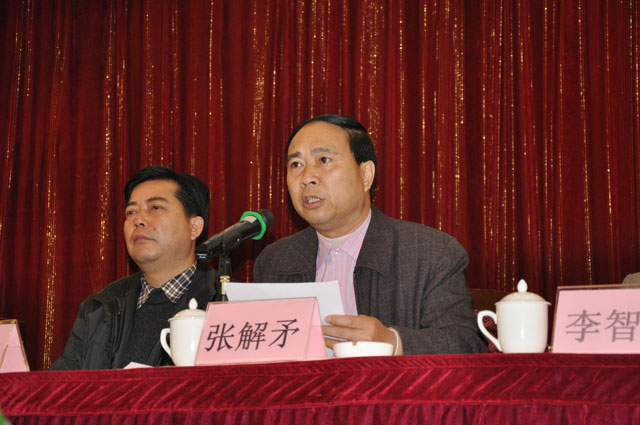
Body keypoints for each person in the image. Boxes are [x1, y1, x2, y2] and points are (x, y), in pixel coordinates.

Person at [253, 114, 486, 355]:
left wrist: (393, 341)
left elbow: (465, 343)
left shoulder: (431, 253)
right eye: (296, 165)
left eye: (324, 160)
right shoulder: (274, 262)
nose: (307, 178)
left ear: (365, 175)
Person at [50, 166, 218, 369]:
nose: (138, 220)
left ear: (194, 227)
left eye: (155, 208)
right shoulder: (99, 308)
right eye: (131, 212)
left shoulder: (224, 302)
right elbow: (62, 384)